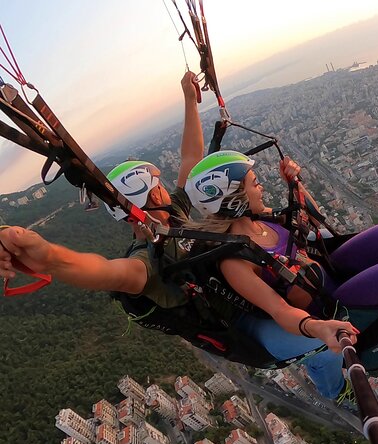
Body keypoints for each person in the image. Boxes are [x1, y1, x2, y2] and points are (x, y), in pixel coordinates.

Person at [0, 73, 357, 403]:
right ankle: (334, 391)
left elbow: (191, 156)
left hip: (254, 292)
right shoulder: (146, 264)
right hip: (243, 331)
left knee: (316, 264)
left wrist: (189, 100)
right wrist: (46, 257)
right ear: (152, 195)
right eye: (158, 185)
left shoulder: (177, 218)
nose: (165, 188)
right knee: (322, 348)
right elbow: (102, 271)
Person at [184, 151, 378, 373]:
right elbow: (279, 310)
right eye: (254, 184)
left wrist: (295, 183)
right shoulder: (235, 262)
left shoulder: (260, 218)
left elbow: (311, 217)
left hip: (325, 270)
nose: (260, 189)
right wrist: (317, 328)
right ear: (234, 197)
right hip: (328, 302)